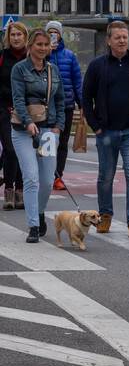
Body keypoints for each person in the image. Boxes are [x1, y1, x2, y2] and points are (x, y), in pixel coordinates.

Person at [82, 20, 129, 237]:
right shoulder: (97, 66)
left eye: (125, 37)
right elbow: (86, 97)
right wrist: (95, 126)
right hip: (106, 131)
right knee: (106, 176)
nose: (122, 40)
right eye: (118, 37)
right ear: (109, 40)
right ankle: (105, 216)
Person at [10, 27, 65, 242]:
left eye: (45, 45)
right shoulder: (19, 69)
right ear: (30, 46)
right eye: (38, 44)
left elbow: (60, 101)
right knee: (31, 178)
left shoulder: (53, 70)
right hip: (23, 131)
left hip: (49, 130)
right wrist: (28, 122)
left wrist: (58, 126)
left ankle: (40, 212)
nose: (42, 48)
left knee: (47, 180)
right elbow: (18, 100)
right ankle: (33, 225)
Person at [47, 21, 82, 192]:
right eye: (50, 32)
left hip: (66, 105)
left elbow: (77, 81)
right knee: (46, 141)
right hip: (45, 106)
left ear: (60, 35)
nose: (53, 35)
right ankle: (46, 174)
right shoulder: (40, 53)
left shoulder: (69, 56)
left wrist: (83, 104)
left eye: (55, 32)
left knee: (62, 142)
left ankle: (57, 176)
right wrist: (47, 52)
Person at [0, 22, 29, 211]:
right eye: (13, 35)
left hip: (27, 110)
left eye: (19, 34)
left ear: (25, 37)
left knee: (23, 151)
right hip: (4, 109)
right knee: (10, 149)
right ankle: (9, 190)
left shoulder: (31, 57)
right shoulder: (2, 57)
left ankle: (20, 190)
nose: (16, 38)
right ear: (8, 38)